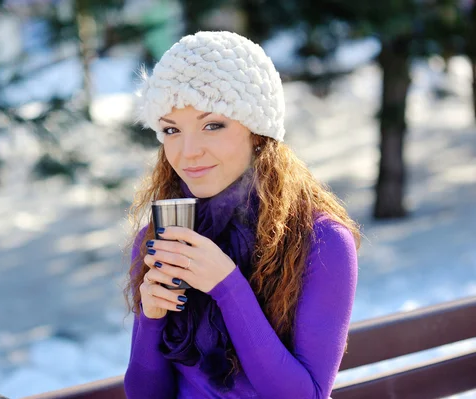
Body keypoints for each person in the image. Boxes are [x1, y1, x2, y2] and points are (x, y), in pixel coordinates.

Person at [123, 30, 360, 398]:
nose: (188, 153)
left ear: (258, 132)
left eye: (212, 125)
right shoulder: (161, 241)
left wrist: (227, 286)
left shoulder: (320, 241)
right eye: (171, 129)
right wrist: (150, 318)